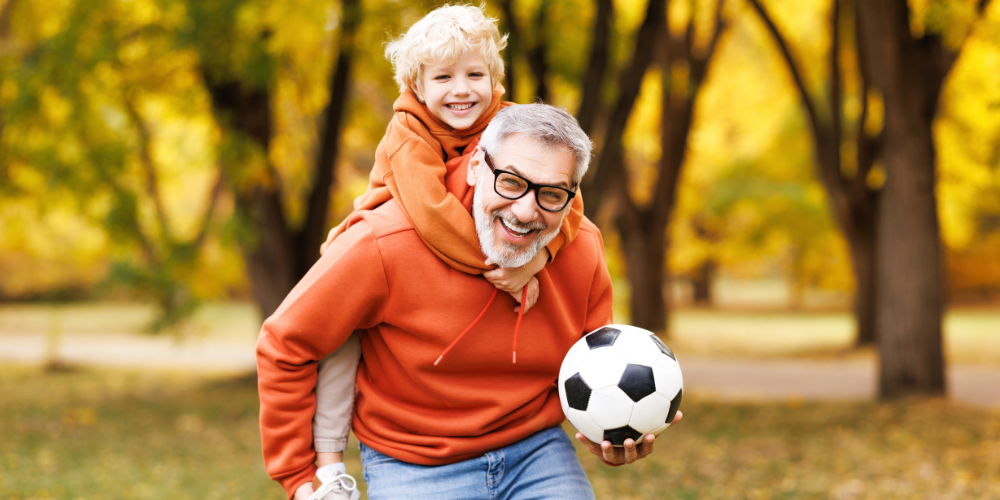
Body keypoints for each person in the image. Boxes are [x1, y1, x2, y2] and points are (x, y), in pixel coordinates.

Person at [257, 104, 674, 500]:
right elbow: (286, 343)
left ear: (572, 195)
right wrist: (297, 475)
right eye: (511, 181)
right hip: (413, 458)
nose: (526, 211)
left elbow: (597, 367)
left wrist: (610, 430)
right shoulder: (383, 243)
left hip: (535, 448)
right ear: (477, 165)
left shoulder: (582, 249)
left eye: (551, 194)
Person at [301, 5, 585, 498]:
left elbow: (570, 198)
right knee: (343, 349)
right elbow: (432, 212)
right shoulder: (408, 134)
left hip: (454, 254)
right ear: (416, 85)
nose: (461, 90)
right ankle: (329, 468)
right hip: (385, 254)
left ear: (494, 77)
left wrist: (537, 257)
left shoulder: (511, 122)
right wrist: (496, 263)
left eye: (475, 74)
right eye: (443, 77)